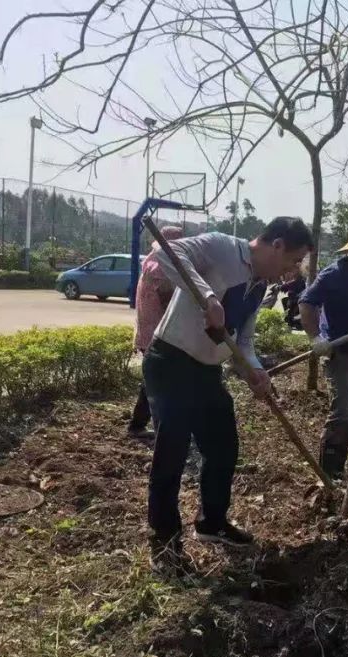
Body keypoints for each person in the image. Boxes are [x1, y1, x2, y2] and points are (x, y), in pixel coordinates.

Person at [145, 217, 314, 559]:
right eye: (293, 260)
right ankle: (164, 540)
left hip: (207, 372)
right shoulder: (222, 247)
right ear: (277, 244)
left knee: (223, 446)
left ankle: (212, 522)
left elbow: (244, 339)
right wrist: (207, 296)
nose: (291, 271)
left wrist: (254, 371)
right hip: (172, 361)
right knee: (172, 452)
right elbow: (168, 253)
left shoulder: (260, 286)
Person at [298, 215, 348, 479]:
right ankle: (328, 469)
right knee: (342, 410)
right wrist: (316, 338)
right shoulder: (336, 274)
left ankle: (342, 465)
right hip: (339, 353)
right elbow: (307, 303)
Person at [129, 226, 184, 440]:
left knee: (152, 380)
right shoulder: (161, 268)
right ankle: (156, 428)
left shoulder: (150, 262)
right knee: (158, 382)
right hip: (157, 334)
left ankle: (140, 424)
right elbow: (171, 303)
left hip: (148, 331)